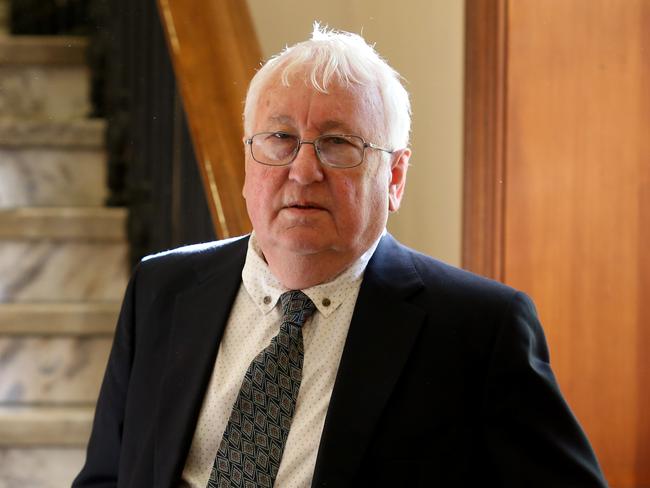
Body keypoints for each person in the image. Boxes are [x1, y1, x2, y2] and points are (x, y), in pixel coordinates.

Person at [73, 25, 608, 488]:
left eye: (338, 143)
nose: (303, 171)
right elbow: (106, 476)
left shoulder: (479, 330)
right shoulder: (161, 289)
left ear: (395, 176)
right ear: (247, 160)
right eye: (281, 137)